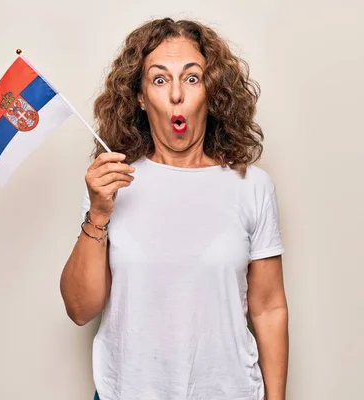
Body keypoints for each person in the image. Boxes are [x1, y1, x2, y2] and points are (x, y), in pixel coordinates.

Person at [60, 17, 289, 400]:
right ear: (139, 96)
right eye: (160, 79)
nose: (177, 95)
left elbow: (267, 307)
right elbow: (81, 309)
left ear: (212, 92)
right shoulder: (113, 183)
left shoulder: (252, 187)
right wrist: (98, 214)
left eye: (192, 77)